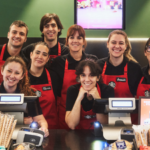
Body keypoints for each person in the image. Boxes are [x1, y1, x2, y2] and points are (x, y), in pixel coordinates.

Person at [50, 24, 98, 129]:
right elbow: (55, 92)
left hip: (88, 117)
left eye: (79, 38)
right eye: (71, 37)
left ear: (84, 41)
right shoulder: (59, 62)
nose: (75, 41)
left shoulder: (92, 60)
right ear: (67, 41)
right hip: (66, 116)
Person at [97, 30, 143, 124]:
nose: (117, 46)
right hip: (104, 121)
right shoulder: (98, 66)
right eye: (113, 42)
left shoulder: (134, 68)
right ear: (107, 44)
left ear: (125, 46)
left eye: (121, 43)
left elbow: (138, 98)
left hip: (129, 123)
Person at [0, 56, 49, 137]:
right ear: (2, 71)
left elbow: (40, 120)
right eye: (9, 71)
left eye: (17, 73)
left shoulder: (30, 94)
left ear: (22, 76)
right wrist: (20, 121)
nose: (12, 76)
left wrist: (44, 128)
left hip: (23, 139)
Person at [65, 59, 114, 129]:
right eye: (83, 75)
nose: (87, 79)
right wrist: (79, 98)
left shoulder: (107, 90)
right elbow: (71, 125)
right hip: (77, 135)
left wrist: (97, 99)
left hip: (101, 134)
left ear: (98, 77)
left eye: (92, 75)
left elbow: (106, 123)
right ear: (79, 77)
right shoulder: (72, 90)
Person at [28, 41, 59, 129]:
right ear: (31, 55)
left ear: (48, 58)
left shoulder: (54, 76)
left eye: (44, 54)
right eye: (37, 53)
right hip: (28, 128)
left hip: (51, 128)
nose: (40, 57)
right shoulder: (22, 77)